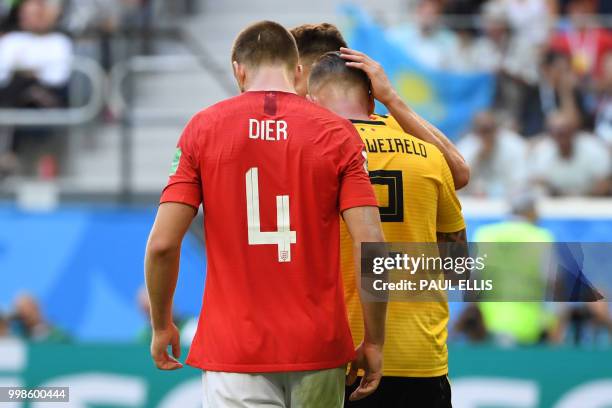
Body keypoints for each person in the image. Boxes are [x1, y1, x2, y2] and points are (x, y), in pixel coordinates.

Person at [144, 21, 387, 407]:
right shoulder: (338, 134)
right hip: (318, 346)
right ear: (297, 72)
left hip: (235, 350)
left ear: (238, 70)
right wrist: (374, 340)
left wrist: (161, 324)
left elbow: (162, 244)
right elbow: (372, 244)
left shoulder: (203, 128)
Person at [308, 50, 467, 408]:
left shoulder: (310, 155)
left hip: (340, 358)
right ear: (371, 97)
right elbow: (458, 267)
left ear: (312, 101)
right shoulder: (429, 155)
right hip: (420, 357)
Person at [290, 23, 470, 190]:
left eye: (291, 81)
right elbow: (460, 174)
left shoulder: (298, 139)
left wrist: (392, 99)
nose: (287, 91)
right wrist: (392, 100)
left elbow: (459, 175)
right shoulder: (395, 126)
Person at [474, 191, 558, 345]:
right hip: (529, 326)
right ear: (531, 212)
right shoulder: (541, 237)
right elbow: (551, 282)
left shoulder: (485, 235)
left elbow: (473, 282)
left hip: (488, 323)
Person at [529, 111, 611, 196]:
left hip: (591, 202)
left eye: (565, 131)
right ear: (549, 134)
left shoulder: (594, 148)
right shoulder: (542, 151)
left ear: (574, 130)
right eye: (556, 132)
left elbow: (604, 183)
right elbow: (537, 183)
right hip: (555, 203)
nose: (561, 136)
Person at [458, 111, 528, 197]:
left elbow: (521, 181)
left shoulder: (515, 145)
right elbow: (459, 182)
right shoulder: (466, 147)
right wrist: (478, 157)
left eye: (489, 130)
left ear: (497, 129)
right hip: (474, 202)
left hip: (508, 198)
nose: (487, 136)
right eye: (482, 131)